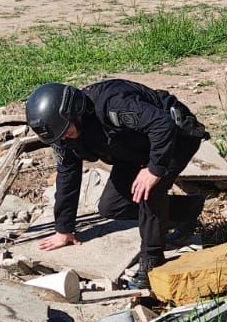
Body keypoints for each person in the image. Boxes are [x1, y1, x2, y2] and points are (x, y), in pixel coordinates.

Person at [25, 79, 210, 289]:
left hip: (174, 138)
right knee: (111, 206)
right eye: (60, 135)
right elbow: (67, 174)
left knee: (149, 190)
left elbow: (162, 124)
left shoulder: (112, 104)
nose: (65, 137)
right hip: (134, 149)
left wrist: (154, 169)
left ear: (74, 112)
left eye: (66, 130)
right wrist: (64, 229)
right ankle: (188, 209)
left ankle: (152, 261)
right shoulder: (64, 134)